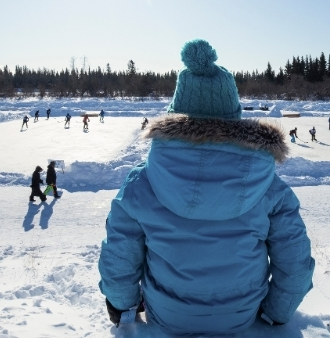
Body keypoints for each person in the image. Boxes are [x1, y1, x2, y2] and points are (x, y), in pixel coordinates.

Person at [99, 39, 314, 335]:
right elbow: (295, 263)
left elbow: (120, 256)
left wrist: (122, 306)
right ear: (234, 118)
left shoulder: (141, 182)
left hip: (165, 315)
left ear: (175, 115)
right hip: (242, 317)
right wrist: (277, 313)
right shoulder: (269, 187)